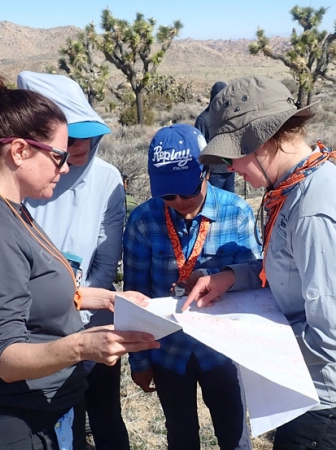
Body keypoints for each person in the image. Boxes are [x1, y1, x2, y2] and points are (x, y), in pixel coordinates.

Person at [0, 73, 159, 450]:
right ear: (20, 151)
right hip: (19, 424)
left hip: (48, 411)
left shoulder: (10, 208)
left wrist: (106, 300)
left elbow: (35, 291)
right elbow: (5, 358)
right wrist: (83, 347)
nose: (66, 167)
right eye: (58, 156)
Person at [183, 76, 336, 450]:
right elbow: (290, 266)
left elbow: (333, 339)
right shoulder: (297, 188)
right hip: (311, 388)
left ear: (262, 140)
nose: (230, 168)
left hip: (329, 398)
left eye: (233, 155)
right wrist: (230, 276)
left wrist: (249, 347)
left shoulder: (314, 211)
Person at [123, 124, 260, 450]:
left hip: (224, 352)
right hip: (169, 353)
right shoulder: (143, 221)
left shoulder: (236, 212)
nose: (180, 202)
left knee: (235, 435)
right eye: (169, 195)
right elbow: (135, 296)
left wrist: (223, 277)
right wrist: (139, 363)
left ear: (205, 174)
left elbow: (256, 276)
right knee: (181, 436)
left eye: (188, 191)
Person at [16, 71, 131, 450]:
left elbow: (104, 262)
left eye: (87, 134)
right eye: (70, 138)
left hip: (93, 322)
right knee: (60, 424)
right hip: (38, 332)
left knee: (105, 415)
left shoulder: (107, 179)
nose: (81, 146)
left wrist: (79, 317)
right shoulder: (18, 184)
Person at [195, 81, 235, 193]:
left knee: (229, 204)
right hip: (213, 172)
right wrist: (205, 171)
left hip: (229, 169)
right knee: (213, 203)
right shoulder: (203, 119)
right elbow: (200, 147)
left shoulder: (229, 117)